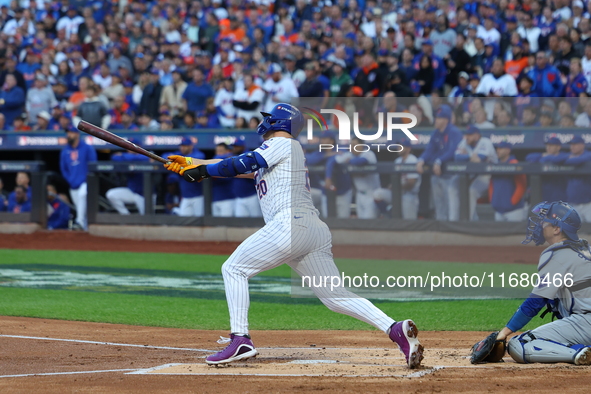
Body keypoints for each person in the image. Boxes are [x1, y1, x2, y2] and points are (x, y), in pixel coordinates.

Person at [163, 103, 424, 368]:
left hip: (290, 223)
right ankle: (394, 329)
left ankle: (240, 338)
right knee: (335, 297)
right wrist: (193, 163)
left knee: (234, 269)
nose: (264, 122)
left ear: (278, 123)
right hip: (312, 230)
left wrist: (202, 170)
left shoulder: (283, 143)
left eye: (269, 119)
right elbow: (237, 167)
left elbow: (243, 162)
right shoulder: (279, 152)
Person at [492, 201, 591, 365]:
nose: (540, 224)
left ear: (557, 229)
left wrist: (503, 333)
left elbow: (535, 302)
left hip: (587, 324)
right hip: (585, 322)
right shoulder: (585, 249)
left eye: (545, 221)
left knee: (519, 344)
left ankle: (578, 352)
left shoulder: (556, 255)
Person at [416, 105, 463, 221]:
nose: (436, 120)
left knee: (452, 208)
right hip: (437, 174)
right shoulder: (436, 133)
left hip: (452, 175)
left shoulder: (454, 132)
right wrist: (421, 160)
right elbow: (429, 150)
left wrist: (439, 160)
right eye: (436, 117)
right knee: (440, 207)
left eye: (439, 118)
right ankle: (442, 231)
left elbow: (453, 151)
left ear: (446, 119)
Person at [454, 126, 498, 221]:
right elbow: (457, 157)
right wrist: (470, 156)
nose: (467, 137)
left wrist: (465, 155)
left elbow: (480, 158)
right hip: (474, 174)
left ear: (476, 136)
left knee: (472, 191)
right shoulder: (464, 142)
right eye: (466, 134)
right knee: (454, 185)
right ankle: (465, 219)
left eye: (470, 135)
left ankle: (467, 221)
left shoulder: (485, 142)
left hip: (490, 175)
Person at [60, 126, 97, 230]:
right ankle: (84, 231)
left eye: (71, 133)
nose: (69, 135)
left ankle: (79, 222)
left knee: (82, 195)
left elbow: (93, 165)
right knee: (80, 208)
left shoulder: (87, 148)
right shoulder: (65, 151)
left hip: (86, 183)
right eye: (68, 133)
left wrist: (86, 180)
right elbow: (64, 169)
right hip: (72, 185)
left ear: (77, 134)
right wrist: (70, 180)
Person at [333, 137, 380, 219]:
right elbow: (335, 160)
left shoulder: (369, 154)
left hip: (371, 195)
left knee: (369, 224)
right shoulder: (349, 155)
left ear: (361, 145)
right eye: (351, 145)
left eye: (354, 145)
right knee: (360, 224)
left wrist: (349, 162)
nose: (351, 147)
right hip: (359, 195)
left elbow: (361, 161)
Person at [373, 139, 421, 220]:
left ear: (408, 149)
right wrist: (392, 186)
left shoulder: (412, 160)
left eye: (402, 146)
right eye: (398, 146)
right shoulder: (397, 161)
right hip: (396, 194)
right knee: (377, 194)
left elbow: (411, 184)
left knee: (409, 224)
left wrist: (396, 187)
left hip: (409, 195)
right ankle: (387, 212)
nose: (399, 148)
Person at [106, 138, 151, 215]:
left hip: (147, 194)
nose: (129, 148)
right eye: (128, 146)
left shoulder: (147, 155)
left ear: (138, 146)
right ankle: (126, 216)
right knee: (111, 194)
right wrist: (129, 157)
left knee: (147, 219)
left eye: (131, 145)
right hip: (133, 192)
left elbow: (145, 158)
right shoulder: (127, 158)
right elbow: (114, 157)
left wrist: (124, 156)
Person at [166, 137, 206, 217]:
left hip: (199, 196)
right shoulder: (179, 155)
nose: (182, 148)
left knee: (200, 220)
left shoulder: (198, 154)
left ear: (191, 146)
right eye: (181, 146)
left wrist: (178, 161)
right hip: (185, 197)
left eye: (185, 146)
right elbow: (165, 156)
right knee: (184, 220)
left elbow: (199, 158)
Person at [489, 142, 527, 222]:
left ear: (508, 150)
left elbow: (521, 186)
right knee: (498, 234)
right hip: (498, 210)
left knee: (515, 234)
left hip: (514, 211)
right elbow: (491, 185)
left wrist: (512, 203)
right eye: (497, 149)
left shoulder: (515, 164)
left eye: (501, 149)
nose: (498, 151)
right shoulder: (496, 165)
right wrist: (493, 201)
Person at [525, 137, 569, 202]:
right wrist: (543, 155)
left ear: (558, 147)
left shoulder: (564, 156)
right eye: (547, 145)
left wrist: (546, 157)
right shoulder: (542, 155)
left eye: (551, 145)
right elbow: (528, 157)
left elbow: (556, 159)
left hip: (561, 194)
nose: (548, 147)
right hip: (545, 196)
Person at [231, 139, 262, 217]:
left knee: (256, 221)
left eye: (237, 146)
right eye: (234, 146)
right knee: (240, 223)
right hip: (239, 197)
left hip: (252, 196)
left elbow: (252, 173)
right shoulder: (233, 157)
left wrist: (234, 173)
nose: (235, 148)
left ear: (242, 146)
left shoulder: (248, 156)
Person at [564, 136, 591, 222]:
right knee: (574, 232)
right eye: (571, 144)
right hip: (572, 203)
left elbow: (579, 160)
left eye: (575, 144)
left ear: (582, 145)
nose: (572, 146)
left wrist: (567, 160)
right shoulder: (568, 156)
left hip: (588, 204)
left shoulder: (588, 155)